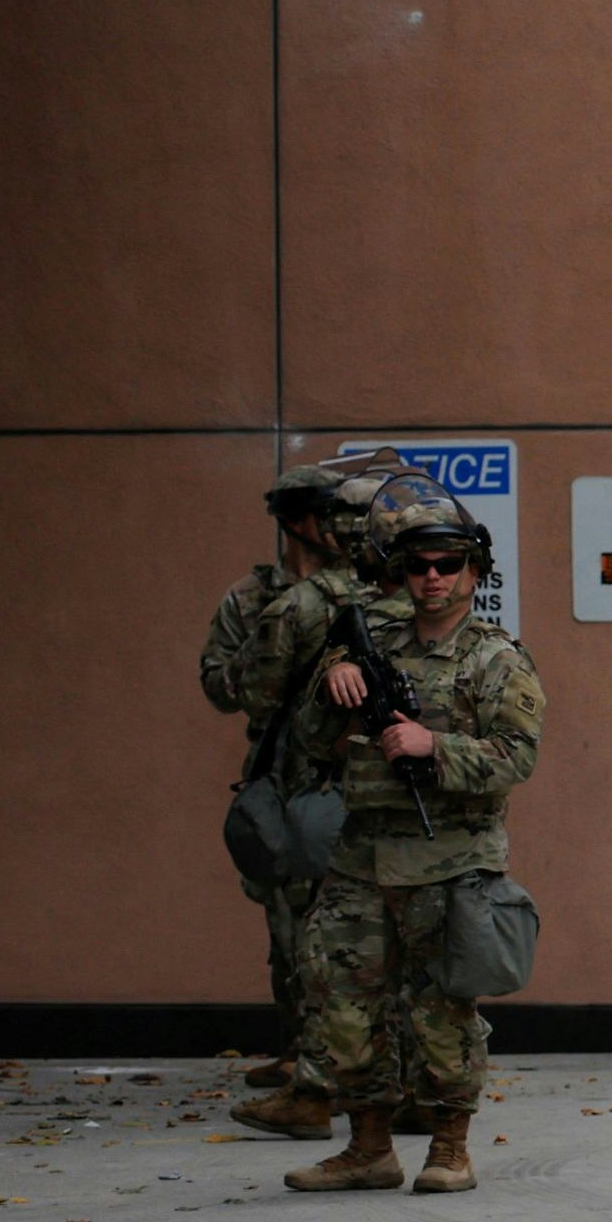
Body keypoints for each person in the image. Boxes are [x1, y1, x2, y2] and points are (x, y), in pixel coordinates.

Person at [276, 484, 543, 1195]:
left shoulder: (496, 660)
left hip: (449, 860)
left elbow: (516, 758)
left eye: (448, 563)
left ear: (474, 572)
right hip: (362, 856)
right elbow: (308, 742)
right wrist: (329, 681)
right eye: (419, 563)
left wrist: (434, 745)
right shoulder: (368, 646)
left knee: (442, 1012)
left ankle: (449, 1145)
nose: (432, 576)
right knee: (342, 1001)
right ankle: (368, 1146)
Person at [225, 455, 412, 1141]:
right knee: (410, 949)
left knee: (325, 948)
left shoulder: (303, 604)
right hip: (413, 798)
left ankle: (316, 1088)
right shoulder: (426, 596)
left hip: (325, 798)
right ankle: (415, 1089)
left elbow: (252, 692)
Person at [204, 463, 350, 1103]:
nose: (342, 529)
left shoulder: (362, 590)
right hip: (283, 781)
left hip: (350, 778)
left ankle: (346, 1064)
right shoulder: (252, 598)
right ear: (295, 520)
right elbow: (218, 687)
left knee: (352, 934)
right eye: (328, 515)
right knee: (288, 929)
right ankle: (301, 1056)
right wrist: (272, 649)